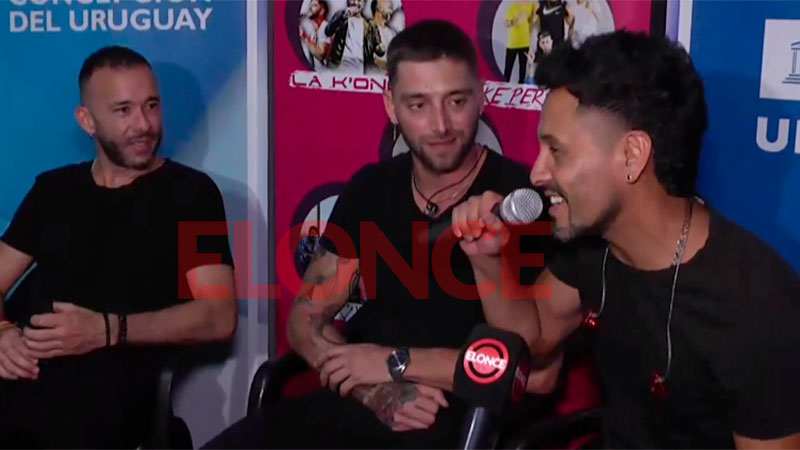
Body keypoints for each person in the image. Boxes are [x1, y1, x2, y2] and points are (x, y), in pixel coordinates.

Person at [203, 19, 556, 449]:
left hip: (466, 417)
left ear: (482, 97)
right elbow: (306, 319)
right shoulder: (371, 188)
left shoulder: (523, 199)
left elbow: (536, 374)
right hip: (366, 402)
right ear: (391, 105)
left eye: (456, 101)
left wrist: (393, 363)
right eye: (418, 104)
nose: (440, 125)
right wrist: (372, 390)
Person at [452, 30, 800, 448]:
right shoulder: (592, 245)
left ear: (632, 155)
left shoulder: (755, 305)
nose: (537, 173)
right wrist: (488, 260)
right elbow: (534, 339)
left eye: (556, 151)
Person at [0, 46, 237, 448]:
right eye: (124, 110)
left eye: (151, 106)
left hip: (107, 389)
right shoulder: (53, 189)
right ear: (87, 121)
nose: (144, 124)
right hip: (22, 371)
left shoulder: (192, 194)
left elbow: (218, 315)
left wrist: (107, 330)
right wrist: (3, 334)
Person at [503, 0, 536, 83]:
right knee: (508, 70)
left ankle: (521, 89)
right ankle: (503, 89)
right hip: (512, 44)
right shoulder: (512, 7)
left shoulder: (532, 6)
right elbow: (506, 24)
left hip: (525, 43)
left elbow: (533, 22)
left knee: (523, 71)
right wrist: (517, 20)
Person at [299, 0, 332, 71]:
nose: (310, 8)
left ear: (322, 10)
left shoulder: (326, 28)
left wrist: (305, 36)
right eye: (310, 6)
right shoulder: (312, 28)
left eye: (314, 5)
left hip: (324, 74)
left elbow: (320, 54)